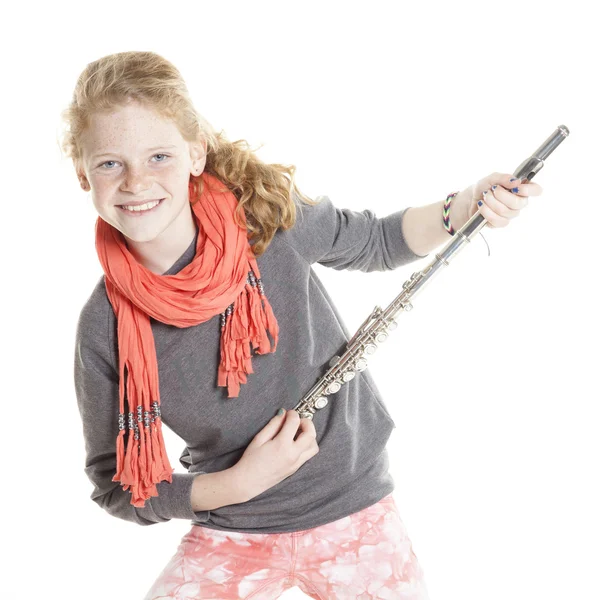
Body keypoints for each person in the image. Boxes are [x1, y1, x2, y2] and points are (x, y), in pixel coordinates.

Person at [63, 50, 542, 600]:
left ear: (196, 154)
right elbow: (117, 486)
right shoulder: (103, 328)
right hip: (233, 529)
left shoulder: (266, 217)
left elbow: (378, 242)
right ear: (83, 174)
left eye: (159, 156)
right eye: (109, 163)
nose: (135, 182)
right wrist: (236, 484)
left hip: (355, 513)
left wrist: (467, 205)